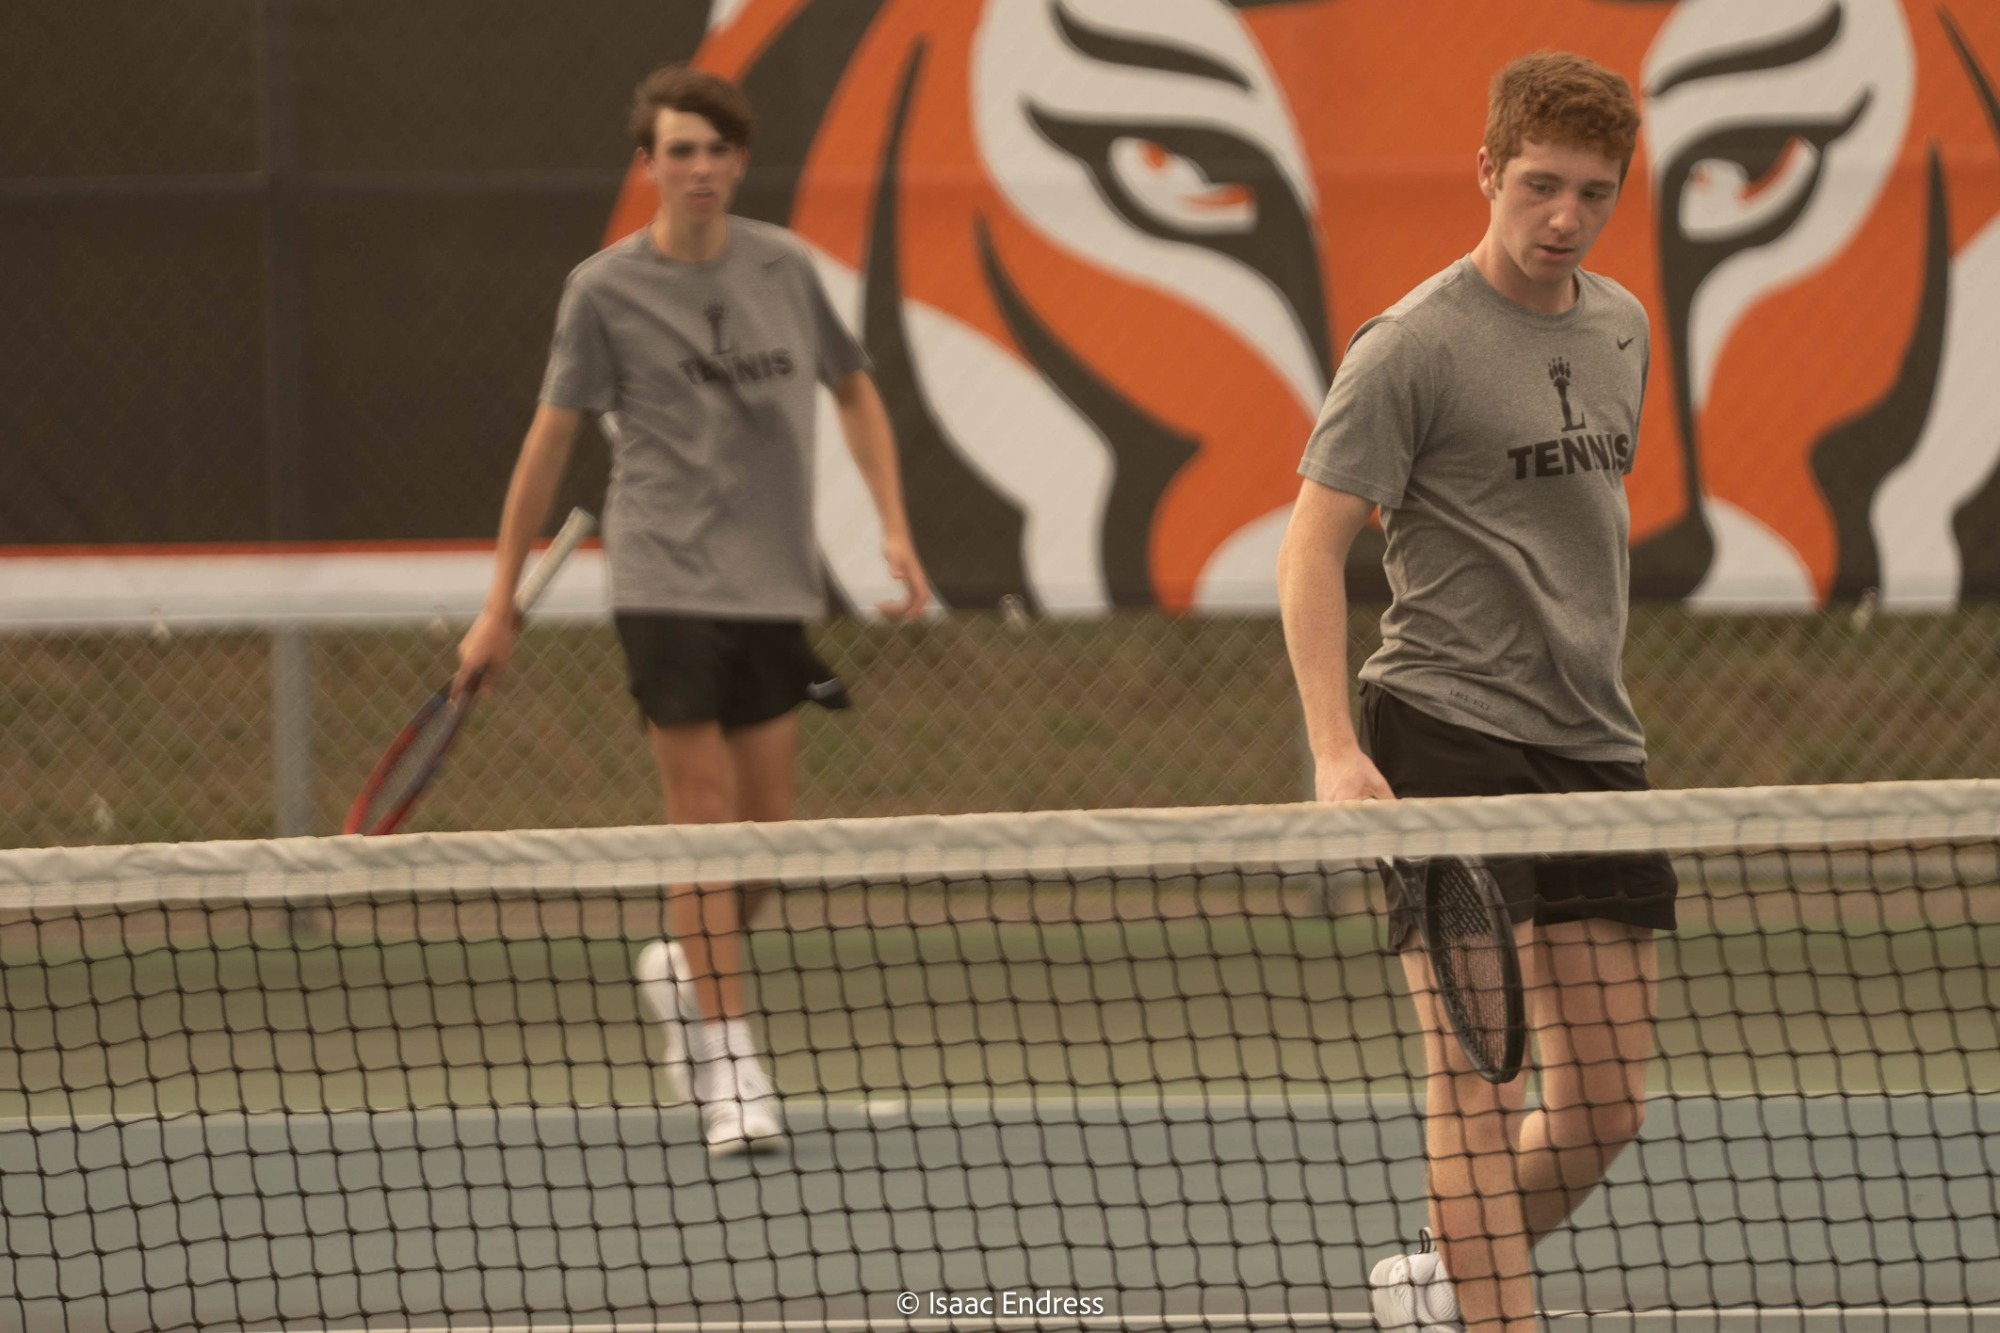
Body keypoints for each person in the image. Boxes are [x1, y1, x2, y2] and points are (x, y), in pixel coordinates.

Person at [456, 64, 929, 1156]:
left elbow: (852, 390)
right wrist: (498, 606)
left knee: (763, 846)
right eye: (678, 151)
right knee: (702, 823)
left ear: (737, 163)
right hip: (661, 582)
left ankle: (682, 966)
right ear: (648, 165)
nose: (699, 168)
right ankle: (728, 1064)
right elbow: (548, 443)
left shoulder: (783, 269)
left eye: (716, 151)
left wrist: (892, 527)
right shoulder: (602, 291)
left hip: (772, 588)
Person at [1275, 52, 1678, 1333]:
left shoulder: (1621, 326)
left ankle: (1442, 1283)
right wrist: (1335, 751)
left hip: (1592, 748)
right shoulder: (1409, 346)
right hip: (1440, 732)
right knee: (1475, 1082)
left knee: (1605, 1103)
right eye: (1541, 185)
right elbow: (1308, 547)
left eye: (1593, 193)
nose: (1563, 216)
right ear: (1489, 173)